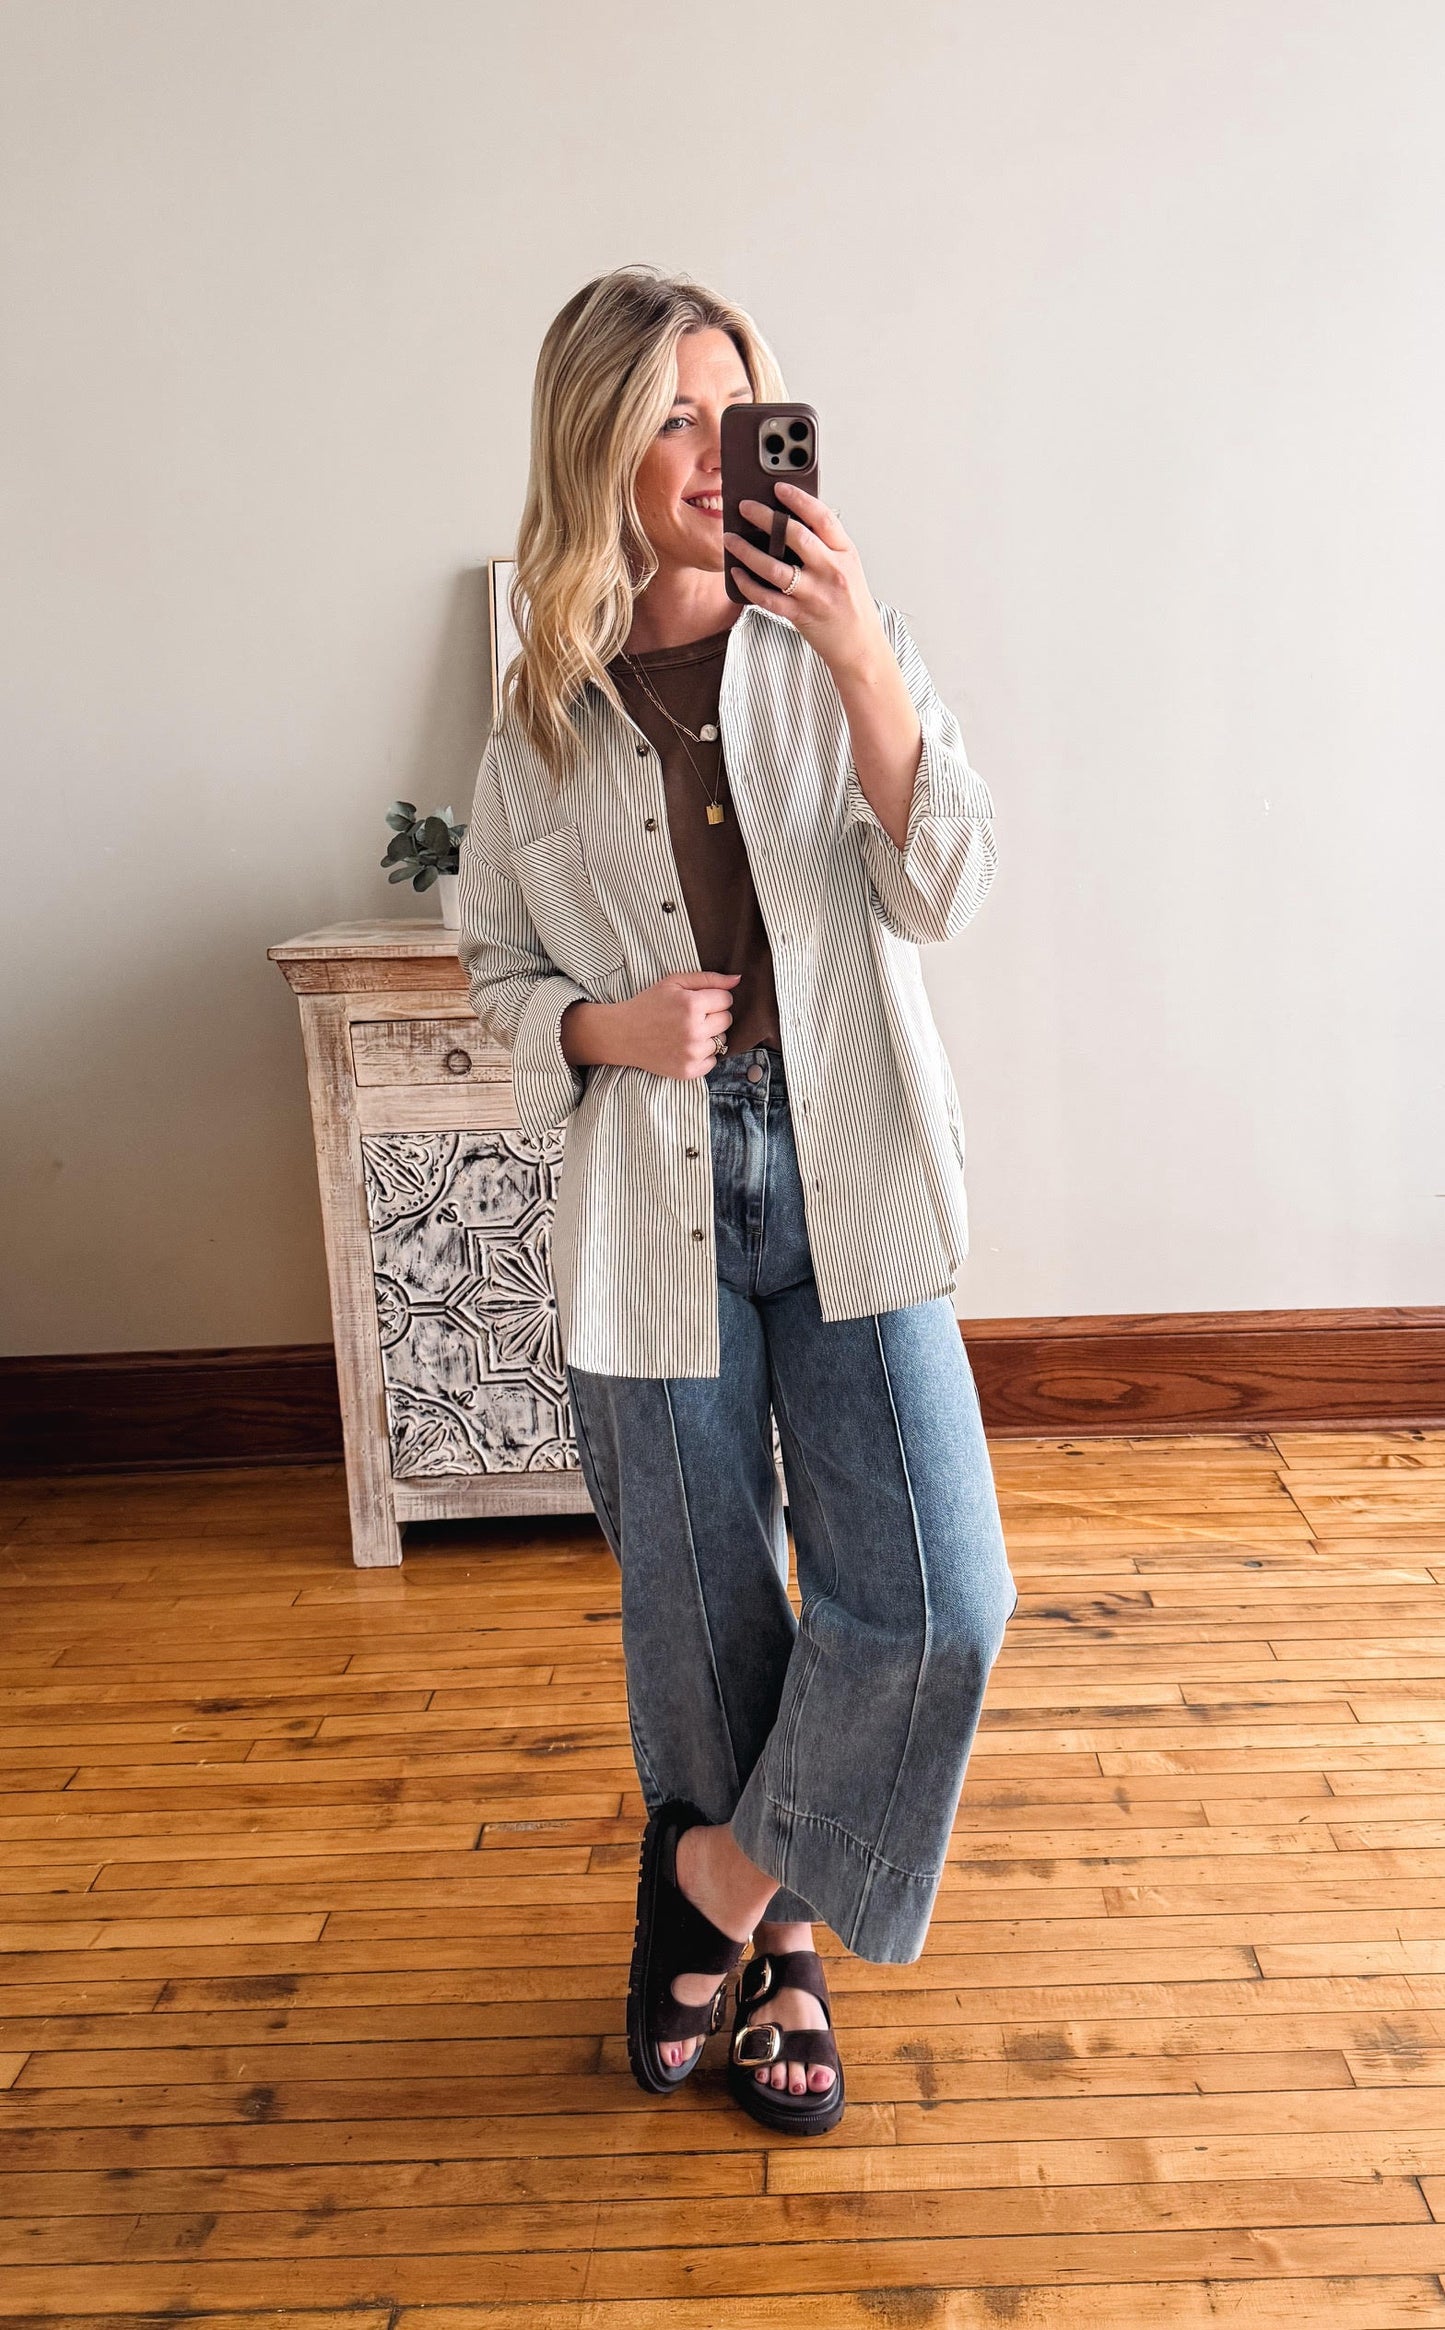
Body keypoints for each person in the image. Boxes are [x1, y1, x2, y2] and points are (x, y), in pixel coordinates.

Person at [457, 265, 1018, 2138]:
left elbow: (946, 882)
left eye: (737, 410)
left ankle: (708, 1884)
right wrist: (606, 1025)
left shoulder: (838, 638)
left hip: (847, 1161)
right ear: (600, 449)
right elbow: (487, 970)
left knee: (940, 1596)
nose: (712, 454)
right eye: (673, 420)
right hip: (651, 1191)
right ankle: (783, 1960)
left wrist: (861, 653)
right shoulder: (534, 716)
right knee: (702, 1619)